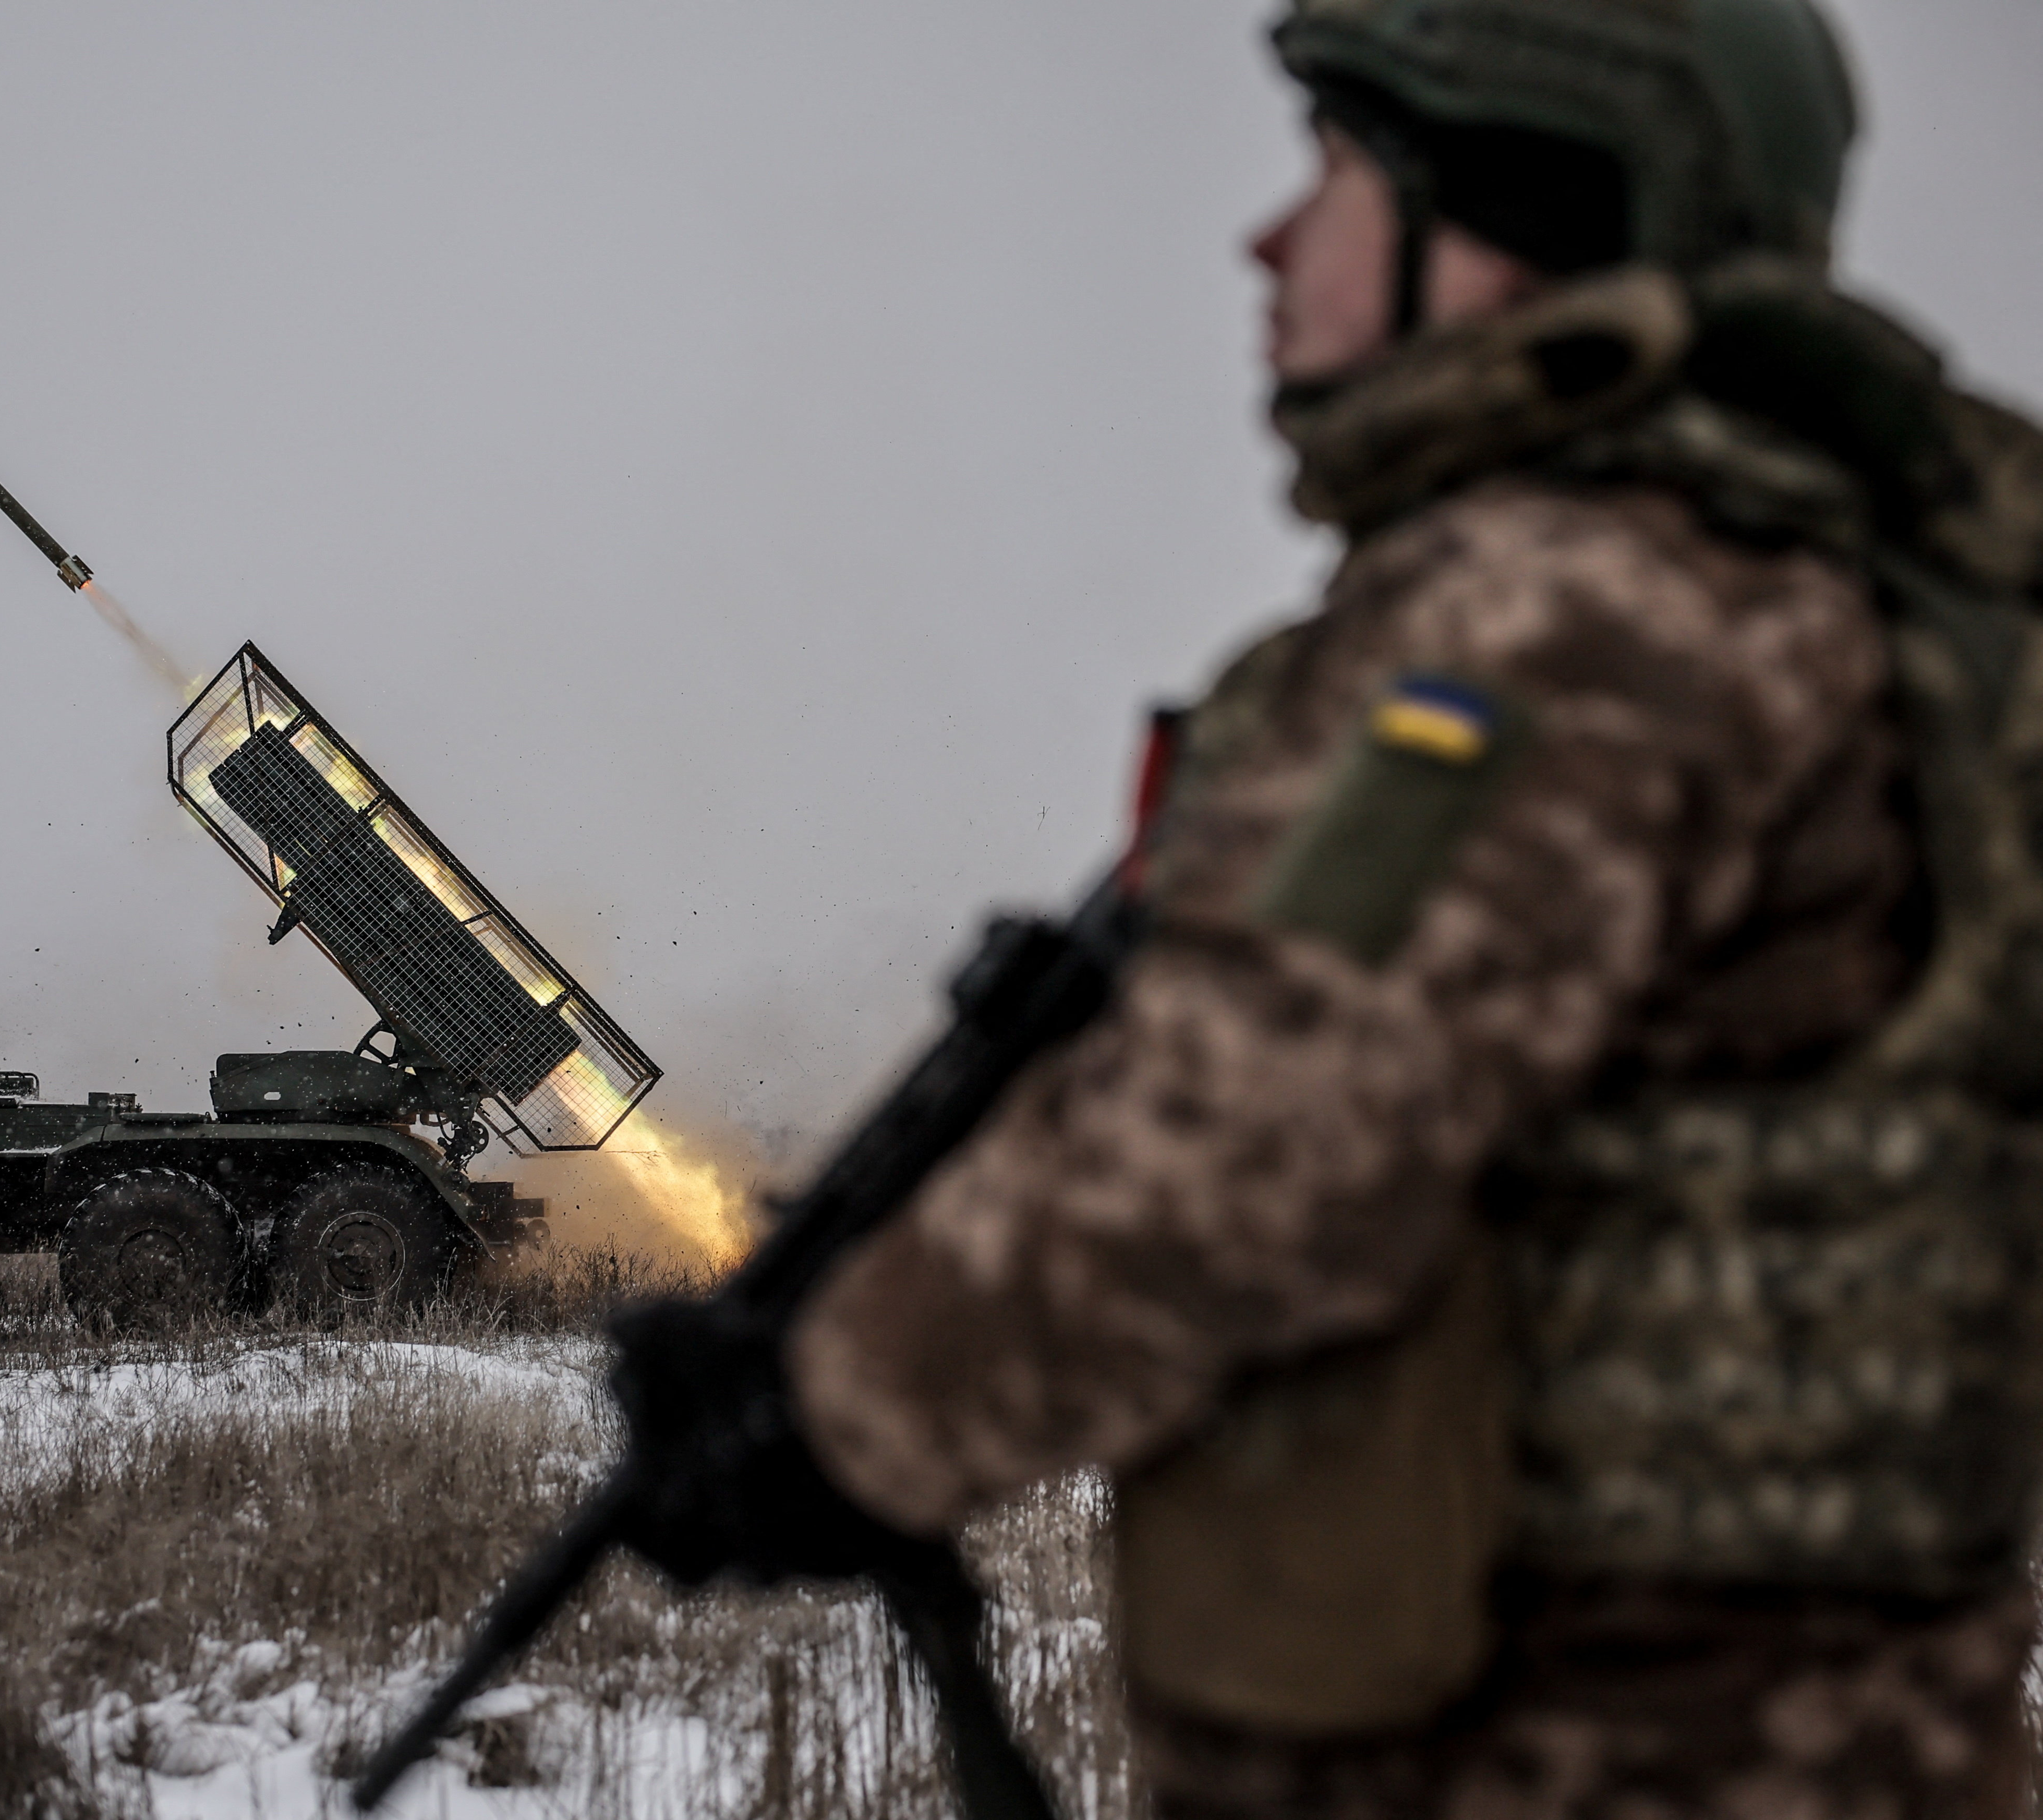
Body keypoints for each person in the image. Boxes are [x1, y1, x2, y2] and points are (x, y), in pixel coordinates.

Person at [613, 0, 2043, 1813]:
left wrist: (836, 1414)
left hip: (1580, 1752)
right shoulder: (1802, 581)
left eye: (1339, 169)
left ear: (1515, 207)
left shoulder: (1569, 608)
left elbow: (1253, 1130)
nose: (1267, 238)